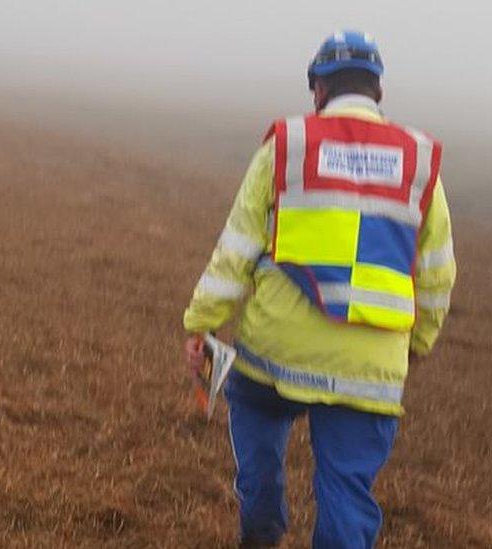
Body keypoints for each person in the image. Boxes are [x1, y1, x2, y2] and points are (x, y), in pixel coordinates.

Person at [182, 30, 455, 548]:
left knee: (257, 423)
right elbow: (438, 273)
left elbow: (237, 247)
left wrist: (202, 322)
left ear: (317, 90)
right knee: (347, 491)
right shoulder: (422, 163)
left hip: (277, 347)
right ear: (378, 92)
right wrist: (418, 343)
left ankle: (261, 530)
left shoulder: (289, 145)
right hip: (371, 361)